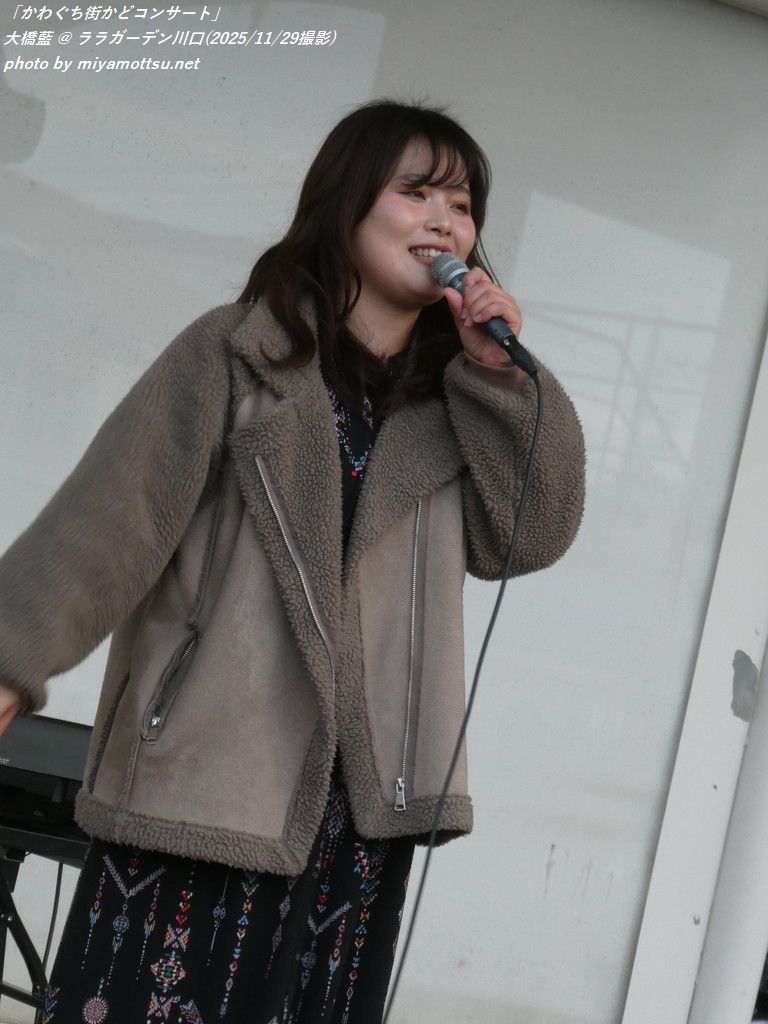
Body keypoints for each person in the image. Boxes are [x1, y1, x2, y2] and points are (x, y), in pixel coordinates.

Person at [0, 98, 586, 1022]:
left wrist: (502, 378)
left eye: (463, 204)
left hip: (356, 828)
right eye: (417, 191)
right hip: (204, 787)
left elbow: (531, 530)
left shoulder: (460, 406)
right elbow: (109, 519)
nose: (444, 220)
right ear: (346, 202)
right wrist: (9, 668)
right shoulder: (236, 354)